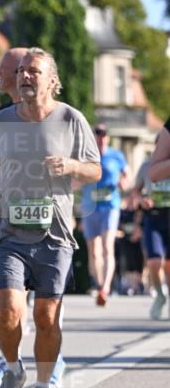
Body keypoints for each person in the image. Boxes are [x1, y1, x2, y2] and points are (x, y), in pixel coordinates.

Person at [0, 47, 100, 388]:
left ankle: (44, 387)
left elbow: (95, 170)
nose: (25, 77)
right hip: (8, 232)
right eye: (22, 72)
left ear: (52, 80)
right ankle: (13, 370)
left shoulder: (70, 120)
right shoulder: (1, 122)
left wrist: (71, 165)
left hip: (54, 234)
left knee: (46, 317)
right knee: (6, 311)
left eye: (34, 71)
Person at [0, 48, 66, 388]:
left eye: (3, 69)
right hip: (3, 219)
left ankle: (51, 360)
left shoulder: (58, 117)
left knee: (46, 305)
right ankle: (10, 362)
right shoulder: (0, 116)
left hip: (49, 226)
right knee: (4, 296)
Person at [81, 124, 129, 306]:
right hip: (90, 207)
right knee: (94, 251)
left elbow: (127, 175)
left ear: (107, 138)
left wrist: (124, 182)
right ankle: (99, 283)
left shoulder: (116, 156)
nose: (101, 138)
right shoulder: (85, 157)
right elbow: (76, 178)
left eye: (104, 135)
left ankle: (106, 287)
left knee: (107, 245)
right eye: (98, 134)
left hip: (110, 206)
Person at [134, 134, 170, 318]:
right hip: (153, 217)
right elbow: (135, 191)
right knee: (154, 261)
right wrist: (141, 199)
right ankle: (159, 295)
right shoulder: (147, 167)